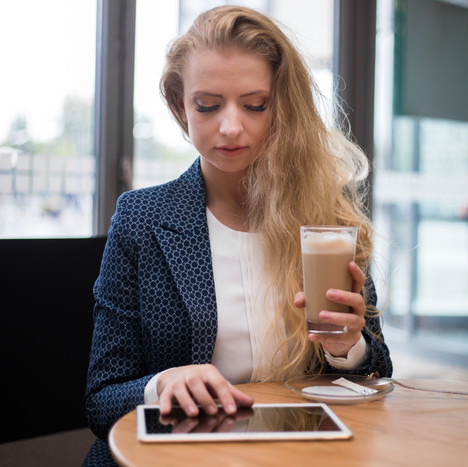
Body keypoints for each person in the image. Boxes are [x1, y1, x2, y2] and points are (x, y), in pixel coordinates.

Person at [83, 5, 392, 465]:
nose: (230, 127)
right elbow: (101, 399)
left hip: (299, 455)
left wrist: (349, 348)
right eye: (207, 106)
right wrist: (161, 384)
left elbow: (381, 371)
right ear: (179, 107)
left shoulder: (325, 220)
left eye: (255, 105)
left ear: (281, 106)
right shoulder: (142, 219)